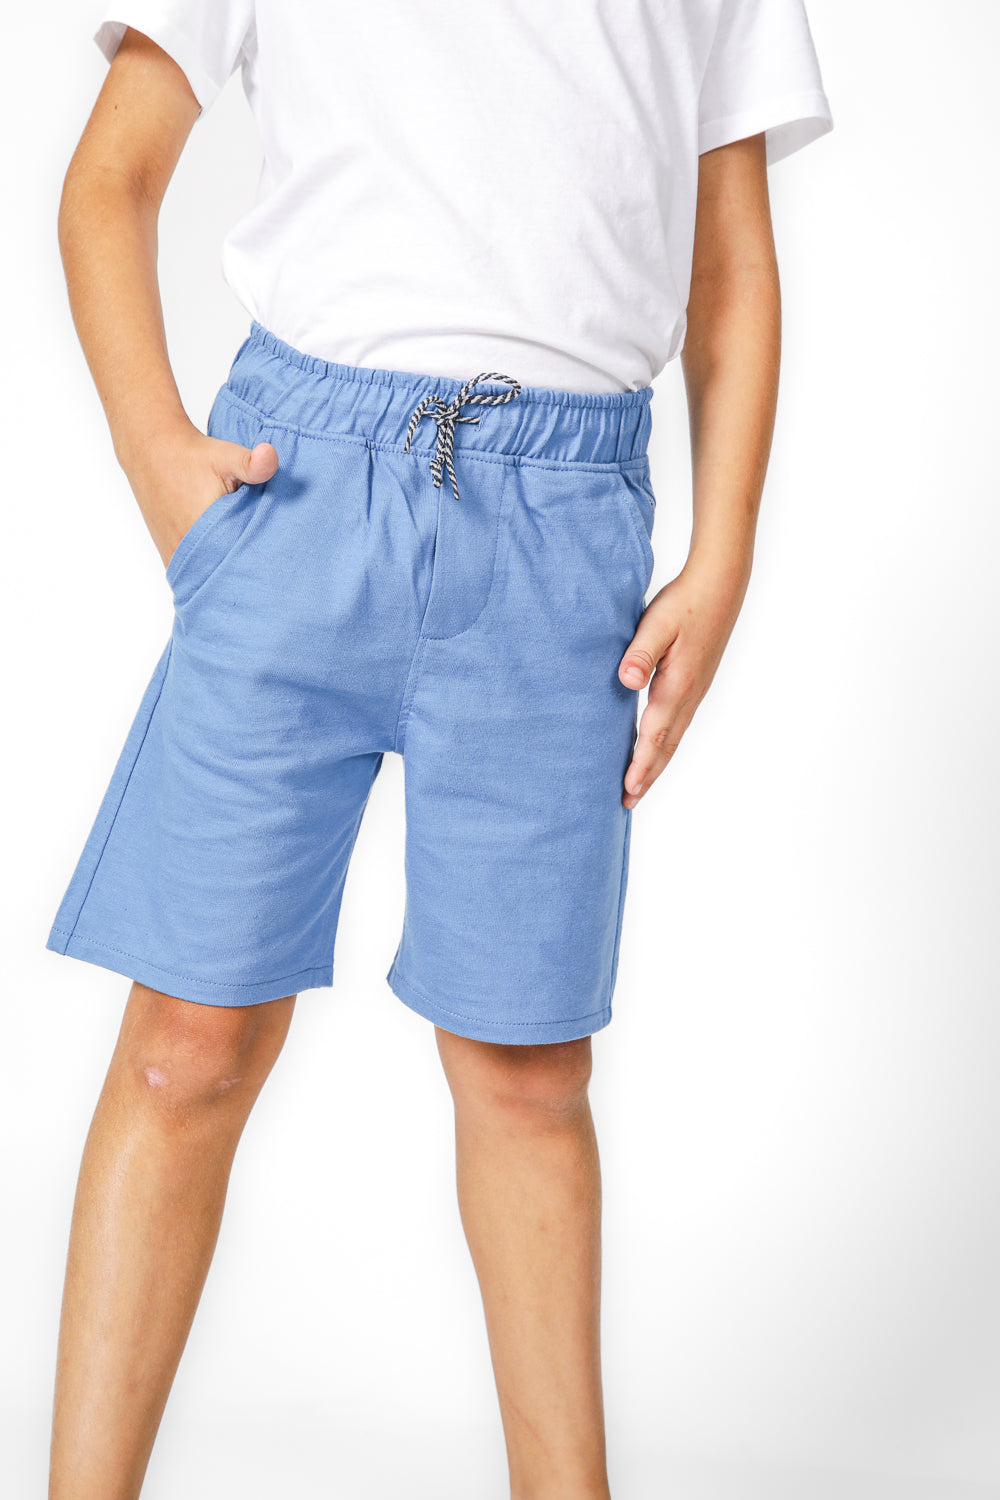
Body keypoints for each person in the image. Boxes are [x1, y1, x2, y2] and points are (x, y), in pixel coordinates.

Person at [44, 2, 833, 1496]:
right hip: (294, 492)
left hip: (562, 529)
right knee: (185, 1042)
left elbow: (728, 257)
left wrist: (723, 550)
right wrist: (159, 457)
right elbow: (110, 179)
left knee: (527, 1067)